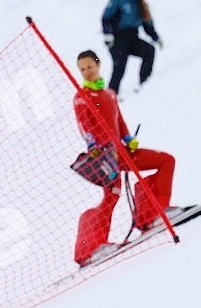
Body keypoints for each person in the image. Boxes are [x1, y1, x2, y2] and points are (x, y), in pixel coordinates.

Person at [72, 50, 177, 265]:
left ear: (98, 65)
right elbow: (84, 125)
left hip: (123, 152)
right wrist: (93, 146)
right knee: (112, 197)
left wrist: (128, 139)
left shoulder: (109, 94)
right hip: (105, 157)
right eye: (82, 69)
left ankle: (152, 215)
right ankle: (92, 247)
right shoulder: (82, 97)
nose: (87, 72)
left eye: (89, 66)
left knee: (166, 160)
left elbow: (119, 121)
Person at [101, 0, 161, 93]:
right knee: (120, 66)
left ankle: (144, 83)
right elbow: (106, 18)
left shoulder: (140, 4)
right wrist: (108, 33)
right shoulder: (118, 2)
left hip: (132, 38)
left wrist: (155, 36)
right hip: (118, 39)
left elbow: (146, 23)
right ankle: (112, 93)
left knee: (149, 51)